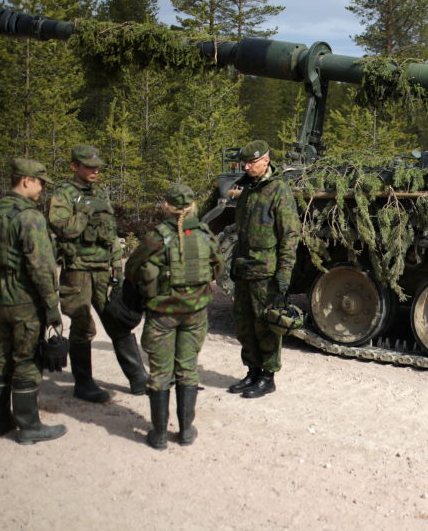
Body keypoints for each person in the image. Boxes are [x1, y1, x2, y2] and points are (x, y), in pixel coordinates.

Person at [0, 157, 67, 445]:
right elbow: (42, 267)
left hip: (0, 295)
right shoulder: (30, 217)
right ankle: (29, 426)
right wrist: (52, 308)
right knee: (27, 360)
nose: (42, 189)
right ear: (26, 181)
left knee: (2, 357)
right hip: (25, 300)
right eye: (40, 183)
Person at [47, 143, 148, 402]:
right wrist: (82, 212)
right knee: (82, 325)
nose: (95, 171)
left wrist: (117, 265)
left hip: (103, 269)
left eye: (97, 167)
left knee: (117, 321)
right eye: (89, 167)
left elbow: (110, 233)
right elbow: (63, 228)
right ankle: (83, 384)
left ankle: (139, 379)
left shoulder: (100, 193)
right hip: (78, 270)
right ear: (74, 166)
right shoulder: (64, 194)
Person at [124, 184, 223, 449]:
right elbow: (217, 268)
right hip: (195, 314)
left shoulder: (156, 238)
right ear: (192, 206)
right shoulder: (205, 235)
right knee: (187, 369)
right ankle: (186, 431)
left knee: (160, 373)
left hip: (161, 316)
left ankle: (158, 435)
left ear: (166, 206)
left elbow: (132, 269)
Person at [225, 139, 300, 399]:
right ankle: (252, 372)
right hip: (244, 268)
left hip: (265, 272)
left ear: (265, 160)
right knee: (244, 325)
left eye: (251, 162)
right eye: (244, 163)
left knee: (265, 327)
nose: (246, 167)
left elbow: (289, 236)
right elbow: (241, 232)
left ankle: (268, 377)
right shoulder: (247, 190)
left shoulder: (279, 191)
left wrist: (284, 275)